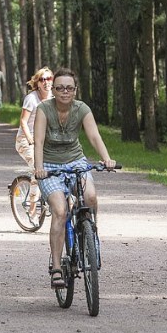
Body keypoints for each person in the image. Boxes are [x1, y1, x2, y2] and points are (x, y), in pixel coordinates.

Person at [33, 68, 115, 289]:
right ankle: (57, 268)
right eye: (59, 88)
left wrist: (106, 159)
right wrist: (39, 168)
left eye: (69, 88)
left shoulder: (82, 109)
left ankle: (91, 234)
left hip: (76, 161)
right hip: (49, 165)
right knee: (60, 211)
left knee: (90, 196)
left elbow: (94, 136)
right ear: (54, 90)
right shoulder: (43, 110)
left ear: (75, 90)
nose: (64, 92)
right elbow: (38, 142)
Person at [15, 67, 53, 223]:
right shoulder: (32, 98)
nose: (46, 82)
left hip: (43, 140)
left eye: (49, 79)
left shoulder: (53, 98)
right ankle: (32, 210)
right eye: (42, 79)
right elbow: (23, 121)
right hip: (25, 140)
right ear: (37, 83)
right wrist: (31, 140)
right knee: (38, 169)